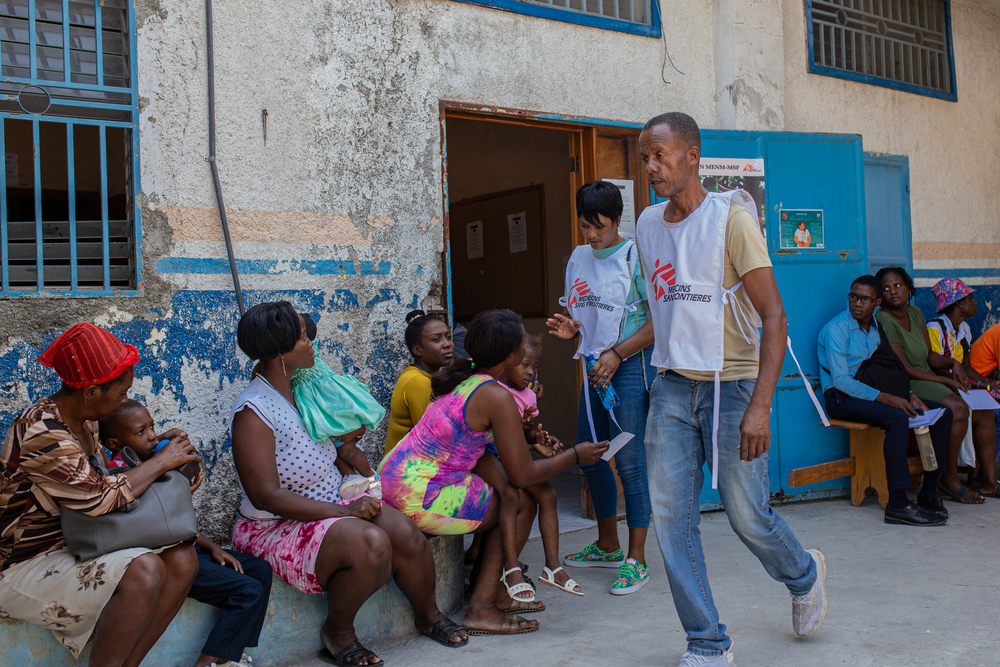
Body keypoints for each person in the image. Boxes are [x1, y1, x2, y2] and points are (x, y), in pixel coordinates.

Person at [636, 112, 826, 666]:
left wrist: (761, 406)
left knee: (747, 515)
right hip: (672, 388)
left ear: (693, 155)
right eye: (645, 157)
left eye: (660, 155)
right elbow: (662, 309)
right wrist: (617, 350)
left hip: (734, 386)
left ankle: (803, 573)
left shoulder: (732, 220)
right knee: (671, 520)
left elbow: (774, 316)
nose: (651, 167)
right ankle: (706, 641)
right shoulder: (647, 224)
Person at [229, 302, 466, 667]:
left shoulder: (301, 387)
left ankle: (428, 614)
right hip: (276, 525)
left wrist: (349, 457)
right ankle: (338, 633)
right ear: (280, 353)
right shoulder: (253, 411)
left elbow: (334, 439)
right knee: (371, 543)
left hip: (329, 502)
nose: (312, 344)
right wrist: (345, 511)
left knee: (405, 532)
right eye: (304, 338)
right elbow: (267, 496)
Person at [378, 309, 608, 635]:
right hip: (418, 495)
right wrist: (575, 455)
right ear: (511, 356)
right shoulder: (496, 396)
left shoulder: (467, 377)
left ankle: (492, 588)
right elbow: (524, 475)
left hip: (396, 476)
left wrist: (528, 441)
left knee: (509, 493)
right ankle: (482, 606)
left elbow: (478, 446)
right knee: (518, 503)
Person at [0, 323, 201, 667]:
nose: (124, 400)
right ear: (90, 392)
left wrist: (164, 458)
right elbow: (98, 497)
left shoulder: (88, 422)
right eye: (121, 394)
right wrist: (161, 463)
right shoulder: (41, 430)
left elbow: (109, 479)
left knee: (183, 560)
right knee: (145, 569)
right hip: (23, 563)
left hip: (79, 542)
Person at [99, 399, 273, 667]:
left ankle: (227, 659)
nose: (152, 436)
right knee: (248, 591)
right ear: (114, 444)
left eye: (152, 427)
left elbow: (177, 522)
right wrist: (174, 489)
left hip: (185, 544)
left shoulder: (151, 460)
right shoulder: (124, 474)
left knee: (260, 570)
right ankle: (206, 664)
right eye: (141, 432)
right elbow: (156, 524)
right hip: (167, 558)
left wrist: (213, 547)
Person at [547, 180, 656, 596]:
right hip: (594, 366)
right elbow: (586, 320)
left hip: (628, 367)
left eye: (600, 226)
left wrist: (618, 353)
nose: (592, 235)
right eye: (585, 225)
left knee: (628, 462)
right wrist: (573, 331)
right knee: (590, 456)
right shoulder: (579, 258)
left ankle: (637, 558)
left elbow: (660, 321)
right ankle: (608, 544)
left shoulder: (636, 257)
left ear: (617, 220)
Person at [818, 276, 952, 525]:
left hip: (872, 393)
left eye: (866, 299)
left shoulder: (876, 328)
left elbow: (889, 369)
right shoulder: (836, 329)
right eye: (853, 296)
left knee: (943, 414)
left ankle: (929, 491)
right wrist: (888, 398)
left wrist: (907, 394)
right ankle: (897, 504)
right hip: (841, 399)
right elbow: (841, 381)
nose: (857, 303)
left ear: (878, 302)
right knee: (897, 417)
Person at [874, 268, 981, 504]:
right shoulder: (883, 318)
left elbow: (929, 355)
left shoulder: (915, 312)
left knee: (971, 407)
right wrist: (946, 380)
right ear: (880, 295)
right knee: (957, 408)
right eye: (886, 288)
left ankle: (952, 476)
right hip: (906, 382)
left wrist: (953, 363)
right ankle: (948, 478)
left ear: (909, 288)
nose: (893, 291)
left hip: (926, 375)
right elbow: (903, 367)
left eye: (898, 286)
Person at [497, 335, 582, 596]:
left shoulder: (528, 397)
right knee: (515, 497)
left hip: (514, 458)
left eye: (534, 367)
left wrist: (536, 439)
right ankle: (510, 566)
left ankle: (552, 567)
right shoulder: (493, 391)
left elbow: (524, 434)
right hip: (492, 459)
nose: (530, 372)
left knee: (548, 495)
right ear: (507, 361)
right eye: (524, 365)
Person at [926, 277, 999, 498]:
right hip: (938, 386)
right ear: (958, 302)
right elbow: (934, 365)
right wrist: (972, 384)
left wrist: (987, 383)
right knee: (965, 410)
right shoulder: (935, 328)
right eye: (971, 298)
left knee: (986, 413)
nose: (975, 303)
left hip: (959, 386)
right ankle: (949, 478)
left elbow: (966, 367)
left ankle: (988, 480)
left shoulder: (964, 329)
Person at [385, 310, 454, 454]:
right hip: (406, 465)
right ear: (417, 350)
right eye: (437, 339)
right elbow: (435, 437)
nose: (447, 344)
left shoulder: (424, 375)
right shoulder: (418, 382)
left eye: (448, 337)